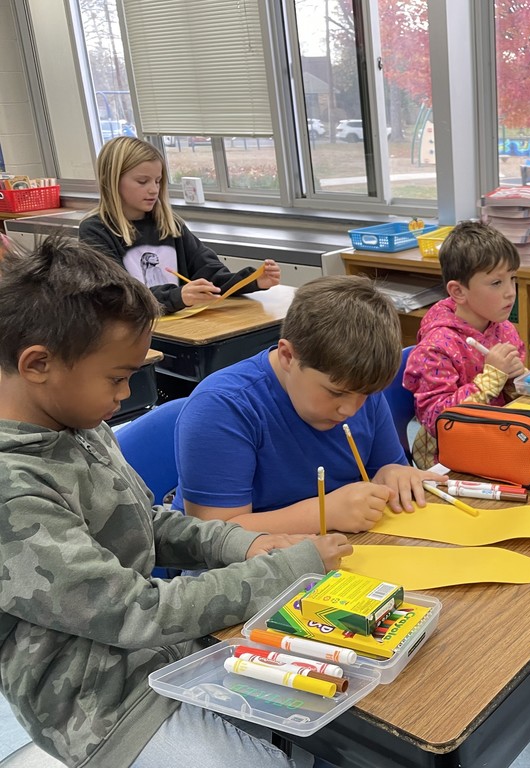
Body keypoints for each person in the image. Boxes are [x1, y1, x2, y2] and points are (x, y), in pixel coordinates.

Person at [0, 234, 352, 768]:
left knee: (332, 702)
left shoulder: (74, 420)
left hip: (169, 652)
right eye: (118, 378)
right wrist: (284, 570)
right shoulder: (12, 491)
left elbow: (147, 521)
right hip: (97, 706)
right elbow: (133, 610)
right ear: (37, 364)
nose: (125, 396)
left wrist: (245, 544)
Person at [173, 275, 444, 534]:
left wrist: (393, 475)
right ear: (288, 356)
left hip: (336, 555)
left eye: (365, 394)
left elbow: (384, 471)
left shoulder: (360, 388)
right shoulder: (222, 408)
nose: (350, 409)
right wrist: (325, 513)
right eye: (336, 393)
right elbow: (210, 536)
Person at [79, 136, 282, 314]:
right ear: (111, 181)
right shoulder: (95, 231)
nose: (153, 190)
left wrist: (251, 281)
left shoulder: (169, 224)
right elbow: (115, 297)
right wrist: (178, 296)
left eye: (158, 181)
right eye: (142, 181)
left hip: (181, 331)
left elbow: (210, 274)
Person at [403, 220, 526, 468]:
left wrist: (517, 380)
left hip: (498, 438)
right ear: (458, 292)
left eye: (512, 278)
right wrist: (490, 379)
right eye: (496, 283)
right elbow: (437, 420)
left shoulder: (504, 329)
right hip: (449, 458)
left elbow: (512, 399)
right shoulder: (436, 347)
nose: (510, 292)